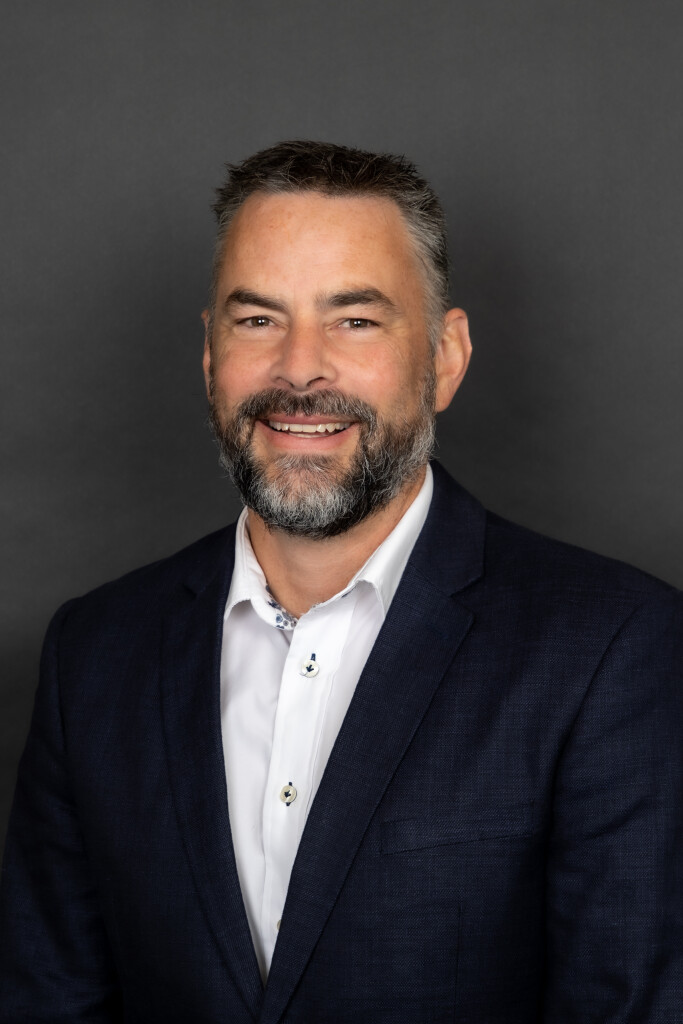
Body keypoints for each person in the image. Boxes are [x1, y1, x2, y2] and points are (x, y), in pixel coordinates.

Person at [0, 140, 681, 1024]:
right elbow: (47, 1000)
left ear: (444, 357)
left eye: (354, 321)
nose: (298, 369)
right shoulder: (94, 652)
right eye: (258, 320)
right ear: (209, 354)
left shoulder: (612, 649)